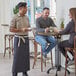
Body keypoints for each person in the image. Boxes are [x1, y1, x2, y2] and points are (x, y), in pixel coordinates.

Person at [10, 2, 31, 76]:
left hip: (26, 39)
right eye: (25, 8)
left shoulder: (27, 17)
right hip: (18, 39)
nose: (26, 9)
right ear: (20, 8)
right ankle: (14, 73)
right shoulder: (15, 17)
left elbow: (28, 27)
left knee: (25, 57)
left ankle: (24, 72)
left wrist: (29, 29)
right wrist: (21, 30)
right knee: (17, 57)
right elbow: (11, 29)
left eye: (26, 8)